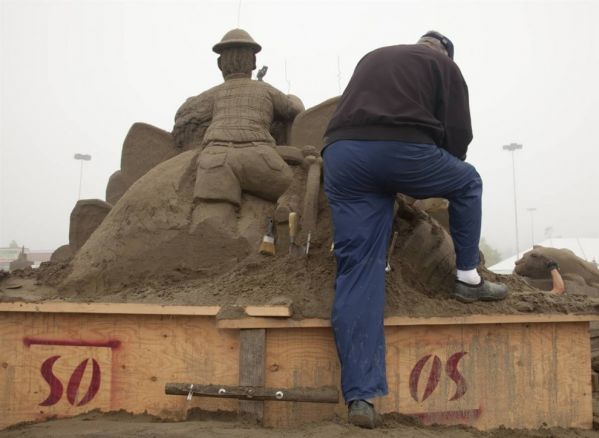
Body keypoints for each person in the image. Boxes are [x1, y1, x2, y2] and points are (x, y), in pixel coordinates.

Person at [322, 31, 509, 428]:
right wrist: (438, 173)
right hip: (401, 150)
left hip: (342, 156)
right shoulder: (444, 64)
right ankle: (468, 279)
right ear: (445, 52)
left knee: (359, 269)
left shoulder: (375, 53)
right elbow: (458, 134)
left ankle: (361, 398)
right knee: (469, 182)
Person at [172, 29, 304, 227]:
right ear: (253, 63)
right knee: (294, 188)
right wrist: (293, 97)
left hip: (215, 157)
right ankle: (286, 208)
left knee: (211, 218)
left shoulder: (212, 94)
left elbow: (183, 114)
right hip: (258, 156)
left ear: (220, 65)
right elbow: (294, 109)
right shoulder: (265, 89)